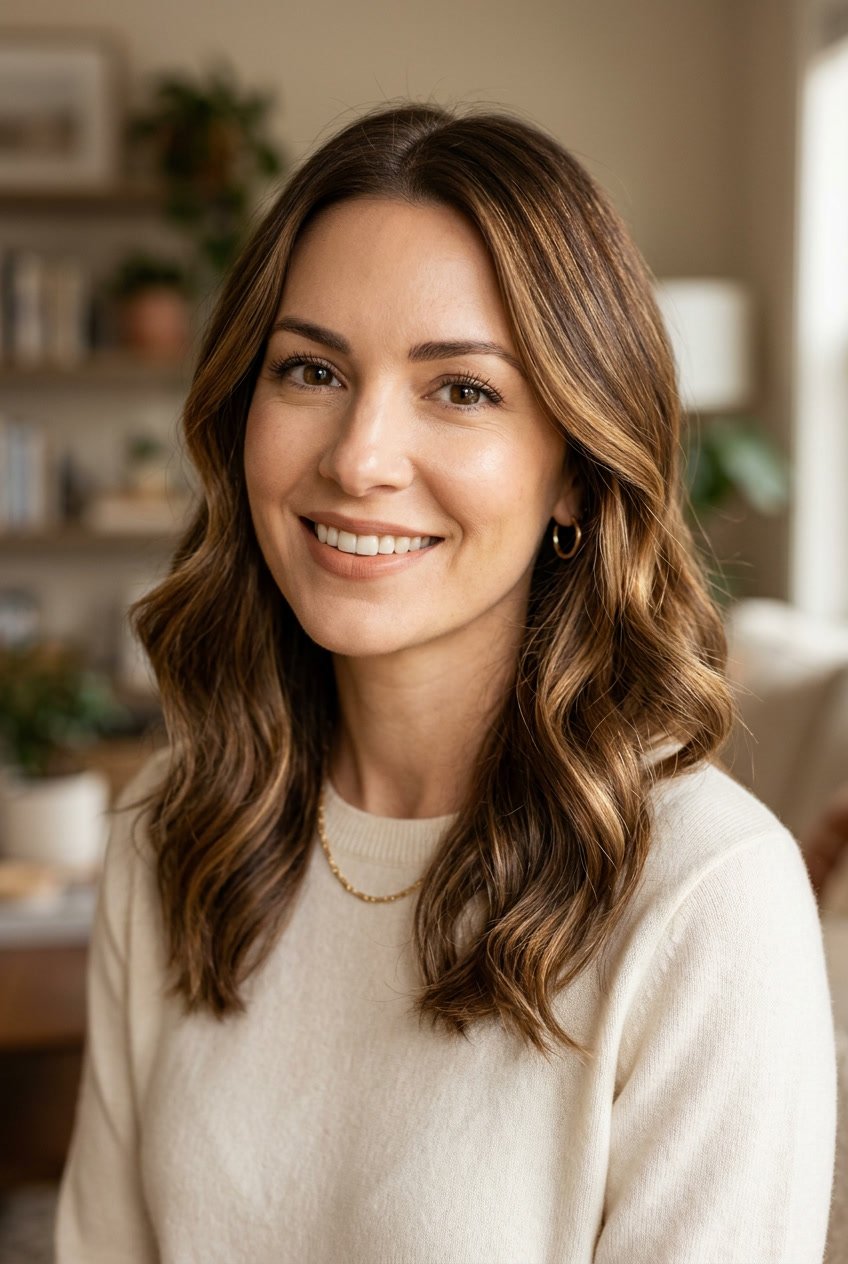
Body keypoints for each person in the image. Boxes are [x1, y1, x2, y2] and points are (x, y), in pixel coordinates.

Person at [55, 102, 836, 1263]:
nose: (358, 456)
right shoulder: (174, 835)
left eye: (459, 388)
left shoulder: (703, 900)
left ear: (574, 470)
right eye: (310, 369)